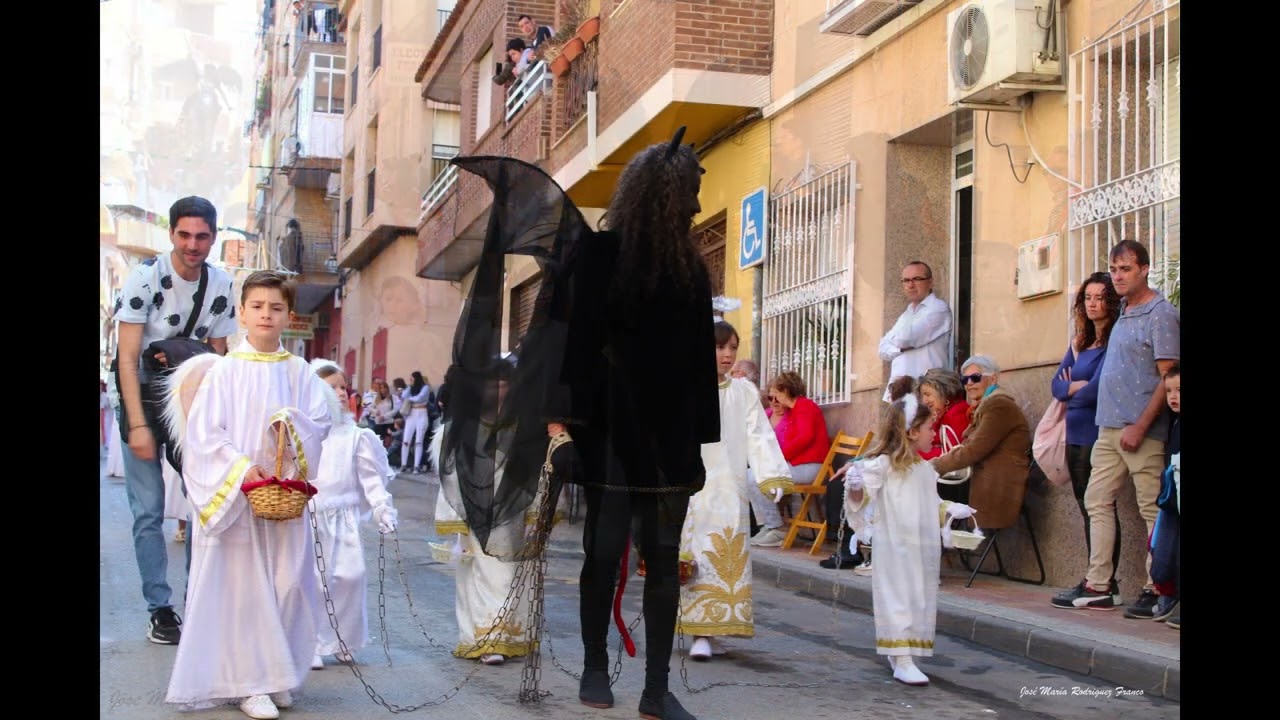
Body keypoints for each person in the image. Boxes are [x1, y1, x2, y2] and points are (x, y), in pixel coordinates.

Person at [552, 129, 718, 720]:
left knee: (664, 561)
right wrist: (560, 429)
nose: (699, 203)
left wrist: (699, 446)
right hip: (610, 432)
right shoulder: (597, 256)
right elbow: (567, 347)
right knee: (601, 551)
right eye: (694, 189)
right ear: (666, 191)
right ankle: (596, 665)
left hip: (669, 439)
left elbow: (701, 367)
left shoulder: (692, 273)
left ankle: (655, 689)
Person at [163, 271, 335, 720]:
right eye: (257, 306)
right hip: (239, 500)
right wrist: (242, 469)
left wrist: (291, 431)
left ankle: (277, 674)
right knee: (242, 590)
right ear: (241, 312)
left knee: (287, 583)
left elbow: (319, 422)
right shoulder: (223, 372)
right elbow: (204, 437)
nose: (265, 314)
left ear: (288, 316)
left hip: (281, 498)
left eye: (276, 308)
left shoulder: (300, 372)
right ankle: (249, 683)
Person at [113, 195, 238, 645]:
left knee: (205, 502)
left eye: (202, 236)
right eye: (184, 235)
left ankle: (200, 599)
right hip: (142, 393)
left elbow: (221, 359)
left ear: (213, 238)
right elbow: (126, 358)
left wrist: (220, 423)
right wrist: (138, 424)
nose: (193, 244)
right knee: (148, 511)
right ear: (171, 235)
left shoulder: (222, 284)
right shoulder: (146, 279)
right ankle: (160, 610)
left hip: (191, 396)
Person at [1049, 240, 1179, 614]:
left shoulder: (1161, 313)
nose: (1118, 276)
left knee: (1152, 509)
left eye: (1126, 269)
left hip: (1141, 430)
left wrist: (1141, 425)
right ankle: (1099, 584)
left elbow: (1167, 377)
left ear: (1145, 269)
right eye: (1115, 269)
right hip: (1107, 428)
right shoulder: (1122, 311)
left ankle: (1159, 589)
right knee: (1096, 500)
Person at [842, 393, 974, 687]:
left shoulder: (924, 469)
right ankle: (902, 659)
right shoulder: (884, 465)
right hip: (893, 548)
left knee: (917, 597)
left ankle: (902, 653)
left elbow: (932, 502)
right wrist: (855, 487)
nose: (933, 433)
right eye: (929, 428)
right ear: (912, 432)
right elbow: (861, 499)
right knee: (897, 596)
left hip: (921, 549)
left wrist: (950, 509)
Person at [679, 320, 792, 660]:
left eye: (732, 348)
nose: (727, 355)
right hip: (693, 485)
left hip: (731, 486)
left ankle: (715, 630)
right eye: (719, 347)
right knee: (694, 554)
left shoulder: (743, 392)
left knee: (726, 555)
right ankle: (698, 630)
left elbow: (759, 433)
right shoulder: (686, 388)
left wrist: (771, 475)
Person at [430, 354, 536, 666]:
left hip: (515, 515)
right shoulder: (458, 432)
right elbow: (449, 481)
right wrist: (456, 524)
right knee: (479, 577)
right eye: (495, 384)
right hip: (475, 517)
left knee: (512, 577)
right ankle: (485, 639)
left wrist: (537, 515)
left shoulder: (524, 430)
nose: (501, 391)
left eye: (506, 384)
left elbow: (536, 476)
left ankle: (510, 637)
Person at [309, 360, 398, 669]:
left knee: (350, 576)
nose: (339, 392)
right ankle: (312, 643)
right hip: (311, 517)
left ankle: (342, 639)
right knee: (315, 581)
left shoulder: (355, 436)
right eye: (331, 386)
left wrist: (381, 507)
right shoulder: (305, 431)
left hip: (343, 517)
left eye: (342, 386)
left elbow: (370, 477)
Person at [1049, 272, 1123, 606]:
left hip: (1098, 432)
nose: (1093, 304)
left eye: (1100, 297)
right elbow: (1055, 385)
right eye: (1088, 298)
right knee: (1084, 507)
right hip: (1073, 431)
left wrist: (1073, 389)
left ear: (1111, 301)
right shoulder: (1080, 341)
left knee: (1100, 506)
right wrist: (1072, 389)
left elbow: (1098, 388)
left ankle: (1105, 581)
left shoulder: (1113, 341)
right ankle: (1096, 576)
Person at [930, 356, 1032, 533]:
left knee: (926, 492)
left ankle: (923, 547)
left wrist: (933, 466)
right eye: (965, 380)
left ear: (992, 378)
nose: (969, 384)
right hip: (980, 479)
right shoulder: (984, 406)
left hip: (996, 484)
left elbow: (973, 450)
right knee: (926, 492)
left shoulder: (998, 405)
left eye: (975, 377)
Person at [877, 261, 953, 403]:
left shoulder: (938, 309)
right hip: (900, 394)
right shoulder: (906, 314)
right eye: (906, 280)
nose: (910, 285)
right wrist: (900, 349)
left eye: (917, 279)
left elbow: (906, 338)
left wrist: (897, 344)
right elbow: (882, 350)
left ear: (930, 282)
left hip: (927, 394)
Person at [1147, 363, 1179, 625]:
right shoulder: (1175, 423)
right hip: (1171, 501)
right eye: (1169, 391)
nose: (1173, 396)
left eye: (1179, 390)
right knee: (1163, 550)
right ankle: (1169, 597)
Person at [401, 371, 432, 473]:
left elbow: (420, 398)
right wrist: (410, 387)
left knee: (419, 441)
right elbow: (403, 395)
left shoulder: (425, 387)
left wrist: (409, 398)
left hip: (422, 413)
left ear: (416, 378)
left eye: (412, 378)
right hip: (412, 414)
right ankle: (403, 464)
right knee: (406, 440)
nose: (411, 380)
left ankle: (416, 466)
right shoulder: (411, 388)